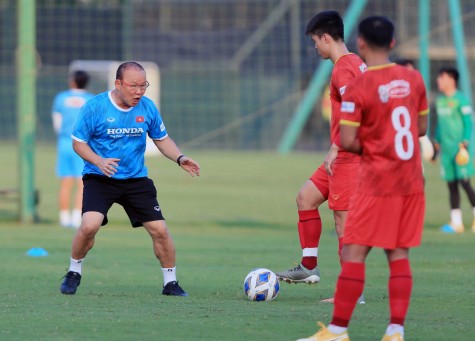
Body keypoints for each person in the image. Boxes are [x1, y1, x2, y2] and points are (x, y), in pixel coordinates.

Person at [297, 16, 428, 341]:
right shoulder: (413, 78)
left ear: (363, 44)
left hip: (373, 176)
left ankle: (338, 330)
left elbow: (350, 140)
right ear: (394, 44)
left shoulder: (359, 86)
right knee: (399, 255)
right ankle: (395, 331)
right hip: (410, 181)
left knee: (354, 251)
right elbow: (421, 129)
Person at [59, 61, 200, 297]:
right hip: (100, 177)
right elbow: (78, 143)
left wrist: (180, 157)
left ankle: (171, 283)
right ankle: (74, 272)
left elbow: (162, 139)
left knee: (160, 229)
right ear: (118, 83)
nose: (139, 91)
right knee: (89, 225)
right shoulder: (95, 107)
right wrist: (99, 161)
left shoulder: (147, 107)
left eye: (143, 85)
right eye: (133, 86)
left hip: (136, 179)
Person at [276, 10, 366, 304]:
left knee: (343, 224)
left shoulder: (344, 68)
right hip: (343, 156)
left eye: (316, 41)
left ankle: (353, 294)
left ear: (326, 38)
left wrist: (335, 147)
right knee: (306, 198)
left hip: (348, 157)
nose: (315, 47)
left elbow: (357, 109)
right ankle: (308, 267)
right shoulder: (353, 64)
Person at [433, 66, 475, 233]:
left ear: (451, 79)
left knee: (465, 183)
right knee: (451, 185)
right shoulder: (440, 100)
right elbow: (440, 126)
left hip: (460, 151)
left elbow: (468, 124)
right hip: (447, 152)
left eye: (441, 77)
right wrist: (436, 142)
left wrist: (464, 143)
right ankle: (456, 223)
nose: (438, 81)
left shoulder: (462, 100)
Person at [52, 70, 94, 228]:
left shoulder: (61, 98)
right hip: (83, 144)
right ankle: (77, 218)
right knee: (82, 182)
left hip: (65, 142)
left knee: (65, 182)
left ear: (73, 81)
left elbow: (57, 122)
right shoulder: (91, 100)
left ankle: (64, 219)